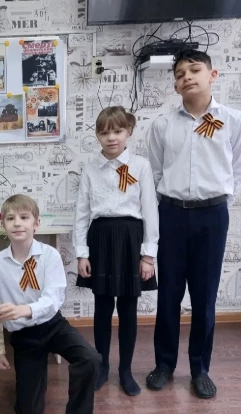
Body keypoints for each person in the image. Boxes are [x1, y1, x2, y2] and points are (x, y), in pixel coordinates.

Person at [147, 49, 241, 399]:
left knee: (204, 296)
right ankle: (164, 364)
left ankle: (200, 368)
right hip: (172, 215)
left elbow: (236, 170)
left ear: (212, 75)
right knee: (169, 294)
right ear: (175, 86)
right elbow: (156, 174)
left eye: (195, 70)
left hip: (212, 216)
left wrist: (218, 205)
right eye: (180, 74)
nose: (187, 76)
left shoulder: (233, 121)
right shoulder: (162, 125)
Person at [0, 194, 101, 414]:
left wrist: (24, 310)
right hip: (23, 336)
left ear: (36, 223)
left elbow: (53, 299)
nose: (17, 223)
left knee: (90, 359)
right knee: (28, 408)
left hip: (53, 326)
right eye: (10, 219)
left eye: (24, 217)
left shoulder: (49, 255)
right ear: (3, 226)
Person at [73, 106, 158, 396]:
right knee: (102, 307)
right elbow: (82, 213)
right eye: (104, 132)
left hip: (131, 240)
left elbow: (150, 212)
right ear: (97, 135)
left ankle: (125, 371)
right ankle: (102, 367)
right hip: (100, 239)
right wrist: (82, 253)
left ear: (128, 131)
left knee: (128, 309)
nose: (111, 138)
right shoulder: (90, 169)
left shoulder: (141, 166)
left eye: (117, 131)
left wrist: (148, 256)